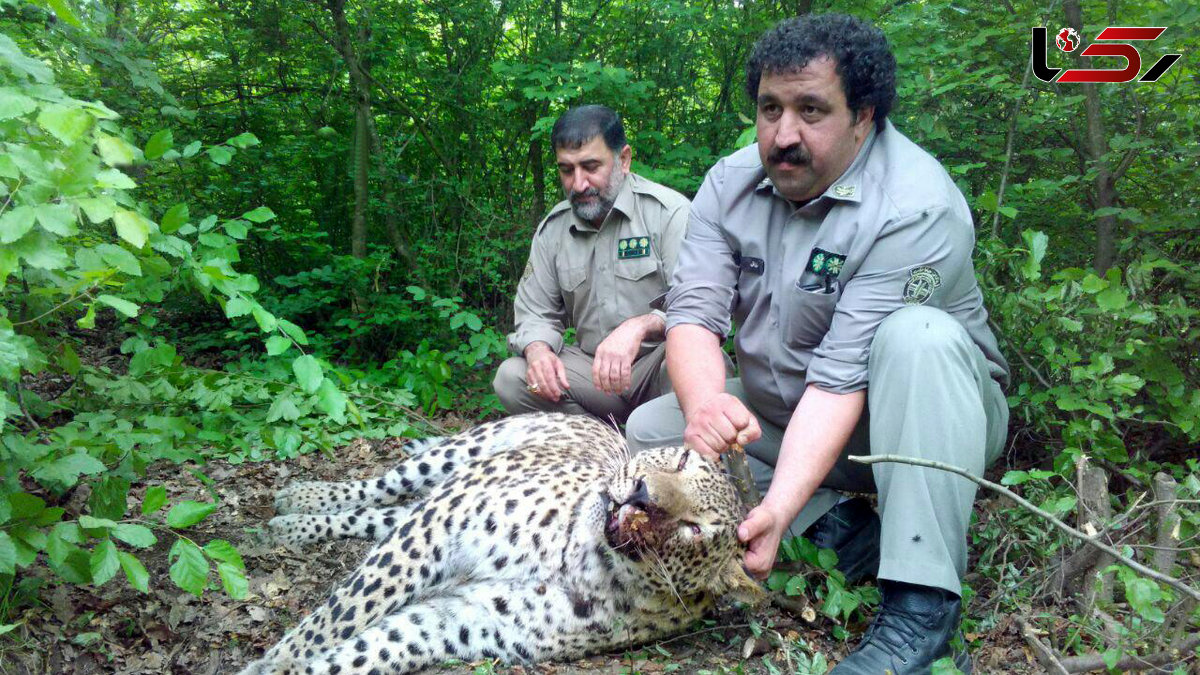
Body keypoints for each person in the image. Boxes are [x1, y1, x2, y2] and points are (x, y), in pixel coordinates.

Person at [626, 14, 1010, 673]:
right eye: (770, 108)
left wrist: (775, 503)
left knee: (917, 336)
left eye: (811, 110)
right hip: (789, 413)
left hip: (918, 423)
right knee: (652, 429)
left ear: (864, 115)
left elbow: (841, 379)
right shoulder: (729, 183)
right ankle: (842, 533)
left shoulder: (917, 207)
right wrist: (705, 406)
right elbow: (693, 315)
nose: (783, 135)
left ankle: (923, 613)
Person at [493, 105, 692, 423]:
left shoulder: (668, 214)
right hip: (594, 375)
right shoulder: (553, 229)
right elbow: (535, 313)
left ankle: (661, 445)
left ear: (623, 159)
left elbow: (698, 306)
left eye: (590, 166)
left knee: (698, 360)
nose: (579, 183)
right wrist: (538, 350)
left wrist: (640, 326)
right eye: (567, 170)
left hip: (658, 368)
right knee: (512, 377)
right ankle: (603, 442)